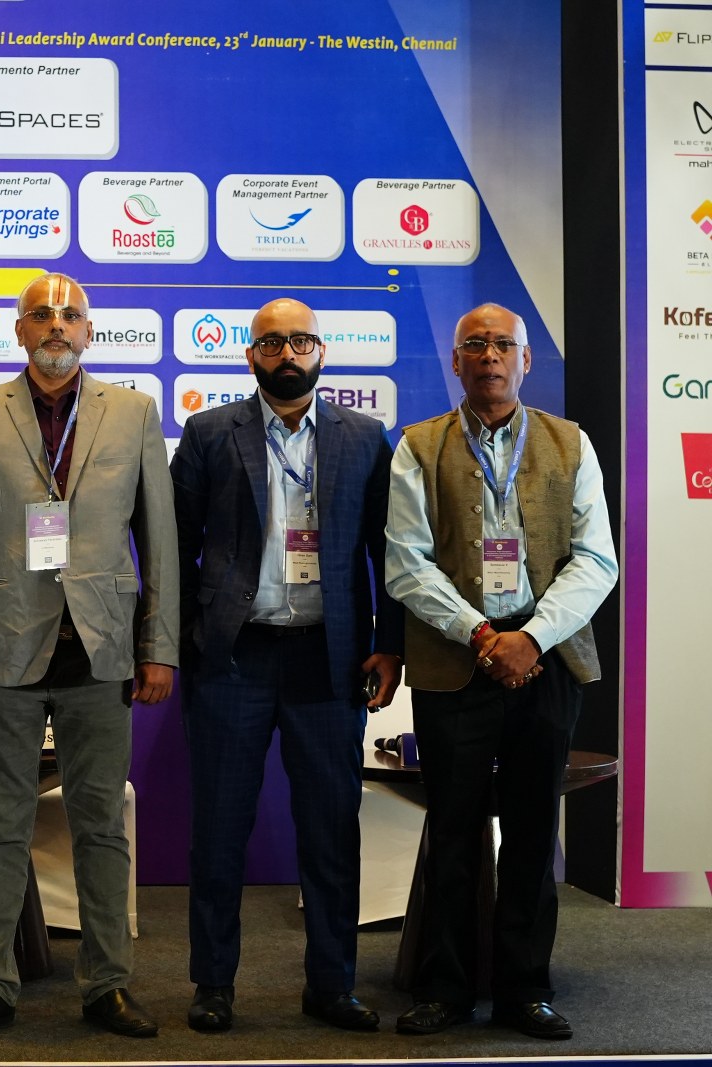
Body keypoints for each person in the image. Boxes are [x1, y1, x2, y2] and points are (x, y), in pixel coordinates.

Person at [0, 272, 180, 1039]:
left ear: (89, 331)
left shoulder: (134, 412)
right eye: (42, 314)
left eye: (71, 315)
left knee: (101, 826)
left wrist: (158, 645)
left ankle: (107, 984)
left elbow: (160, 541)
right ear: (19, 331)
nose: (57, 326)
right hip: (3, 648)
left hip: (102, 650)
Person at [169, 297, 403, 1033]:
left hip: (328, 659)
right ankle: (213, 983)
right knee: (218, 830)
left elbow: (388, 549)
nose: (287, 354)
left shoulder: (364, 437)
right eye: (271, 343)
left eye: (300, 341)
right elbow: (174, 546)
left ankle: (332, 984)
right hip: (233, 657)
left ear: (321, 351)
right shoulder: (209, 433)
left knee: (331, 829)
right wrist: (184, 638)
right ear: (251, 356)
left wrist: (391, 641)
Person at [385, 304, 617, 1040]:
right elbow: (406, 562)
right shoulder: (417, 445)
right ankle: (445, 989)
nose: (490, 356)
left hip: (545, 664)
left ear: (525, 360)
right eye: (475, 345)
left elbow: (596, 559)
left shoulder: (570, 443)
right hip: (455, 662)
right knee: (452, 832)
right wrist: (484, 635)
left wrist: (532, 638)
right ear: (456, 361)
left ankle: (524, 989)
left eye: (503, 345)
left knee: (530, 833)